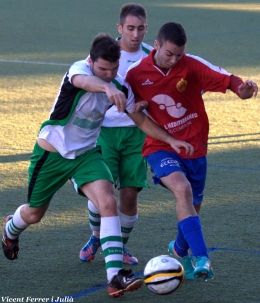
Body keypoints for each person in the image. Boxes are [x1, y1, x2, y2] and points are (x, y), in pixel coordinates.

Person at [1, 33, 193, 296]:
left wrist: (170, 139)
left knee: (108, 201)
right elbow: (86, 81)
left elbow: (140, 119)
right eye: (103, 68)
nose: (108, 74)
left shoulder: (120, 85)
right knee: (34, 214)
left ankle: (115, 278)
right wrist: (107, 87)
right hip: (52, 153)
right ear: (91, 61)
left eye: (113, 69)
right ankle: (10, 229)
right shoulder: (79, 70)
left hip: (86, 156)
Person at [125, 22, 258, 281]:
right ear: (156, 45)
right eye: (168, 54)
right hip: (160, 146)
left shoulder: (191, 64)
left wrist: (243, 90)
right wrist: (136, 106)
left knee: (193, 205)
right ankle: (201, 256)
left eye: (179, 55)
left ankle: (180, 248)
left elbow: (230, 81)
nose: (174, 60)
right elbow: (132, 111)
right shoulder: (135, 74)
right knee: (182, 189)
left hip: (195, 146)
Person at [79, 3, 153, 265]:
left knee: (130, 194)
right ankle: (95, 236)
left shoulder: (152, 57)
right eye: (130, 28)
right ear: (120, 28)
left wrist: (146, 104)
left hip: (136, 134)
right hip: (104, 133)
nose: (135, 34)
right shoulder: (106, 54)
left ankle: (121, 245)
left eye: (140, 28)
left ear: (147, 29)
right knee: (103, 191)